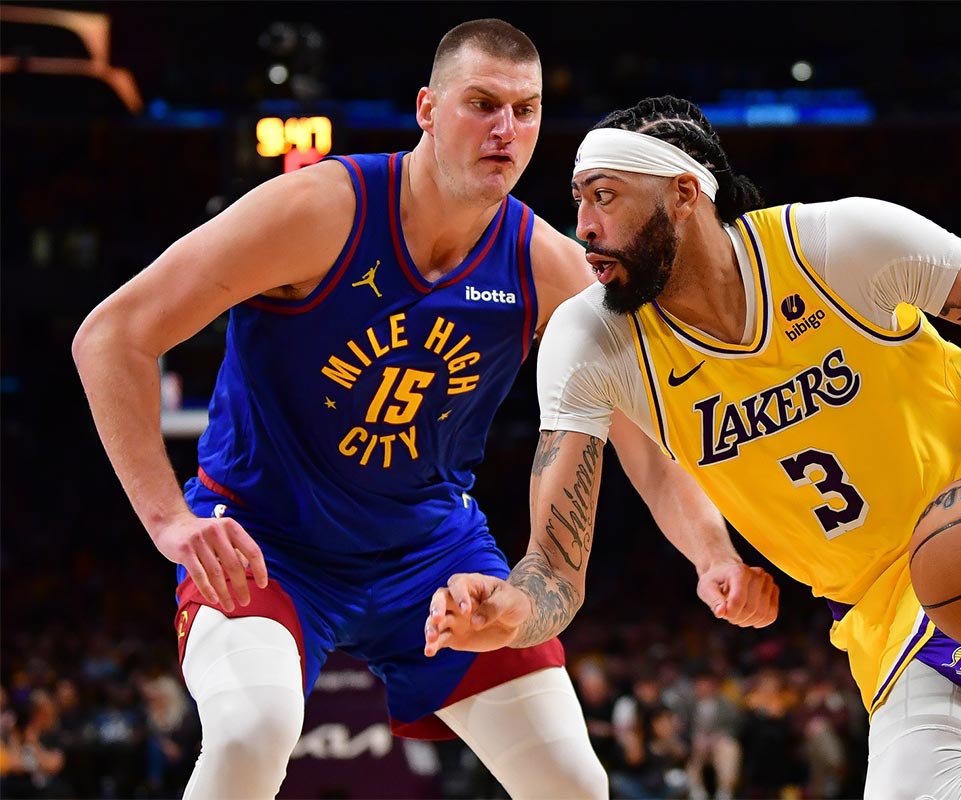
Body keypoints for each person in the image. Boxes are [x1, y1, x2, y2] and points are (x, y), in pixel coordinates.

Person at [72, 26, 779, 799]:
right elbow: (112, 337)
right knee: (251, 733)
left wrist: (714, 556)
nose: (506, 129)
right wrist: (170, 522)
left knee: (574, 782)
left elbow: (647, 441)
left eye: (527, 109)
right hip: (268, 541)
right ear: (428, 110)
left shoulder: (548, 267)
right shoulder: (319, 211)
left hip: (430, 554)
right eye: (483, 104)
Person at [423, 95, 961, 799]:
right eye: (578, 199)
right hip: (866, 611)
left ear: (683, 193)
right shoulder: (592, 341)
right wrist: (513, 612)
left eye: (604, 196)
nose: (582, 226)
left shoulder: (839, 247)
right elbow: (555, 565)